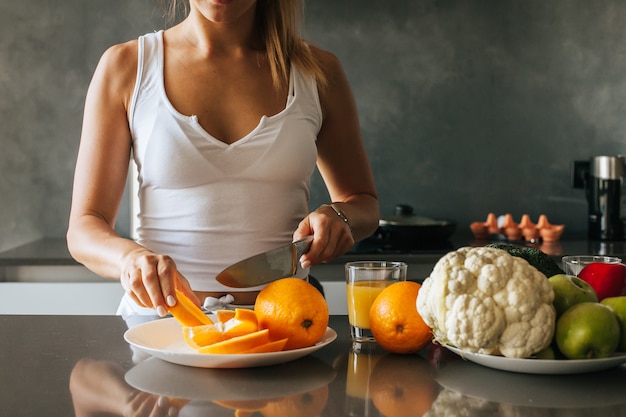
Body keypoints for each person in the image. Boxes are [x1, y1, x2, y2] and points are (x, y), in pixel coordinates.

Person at [67, 0, 379, 318]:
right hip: (158, 328)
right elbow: (84, 226)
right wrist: (129, 259)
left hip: (284, 326)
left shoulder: (318, 72)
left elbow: (363, 203)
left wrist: (339, 217)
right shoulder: (127, 66)